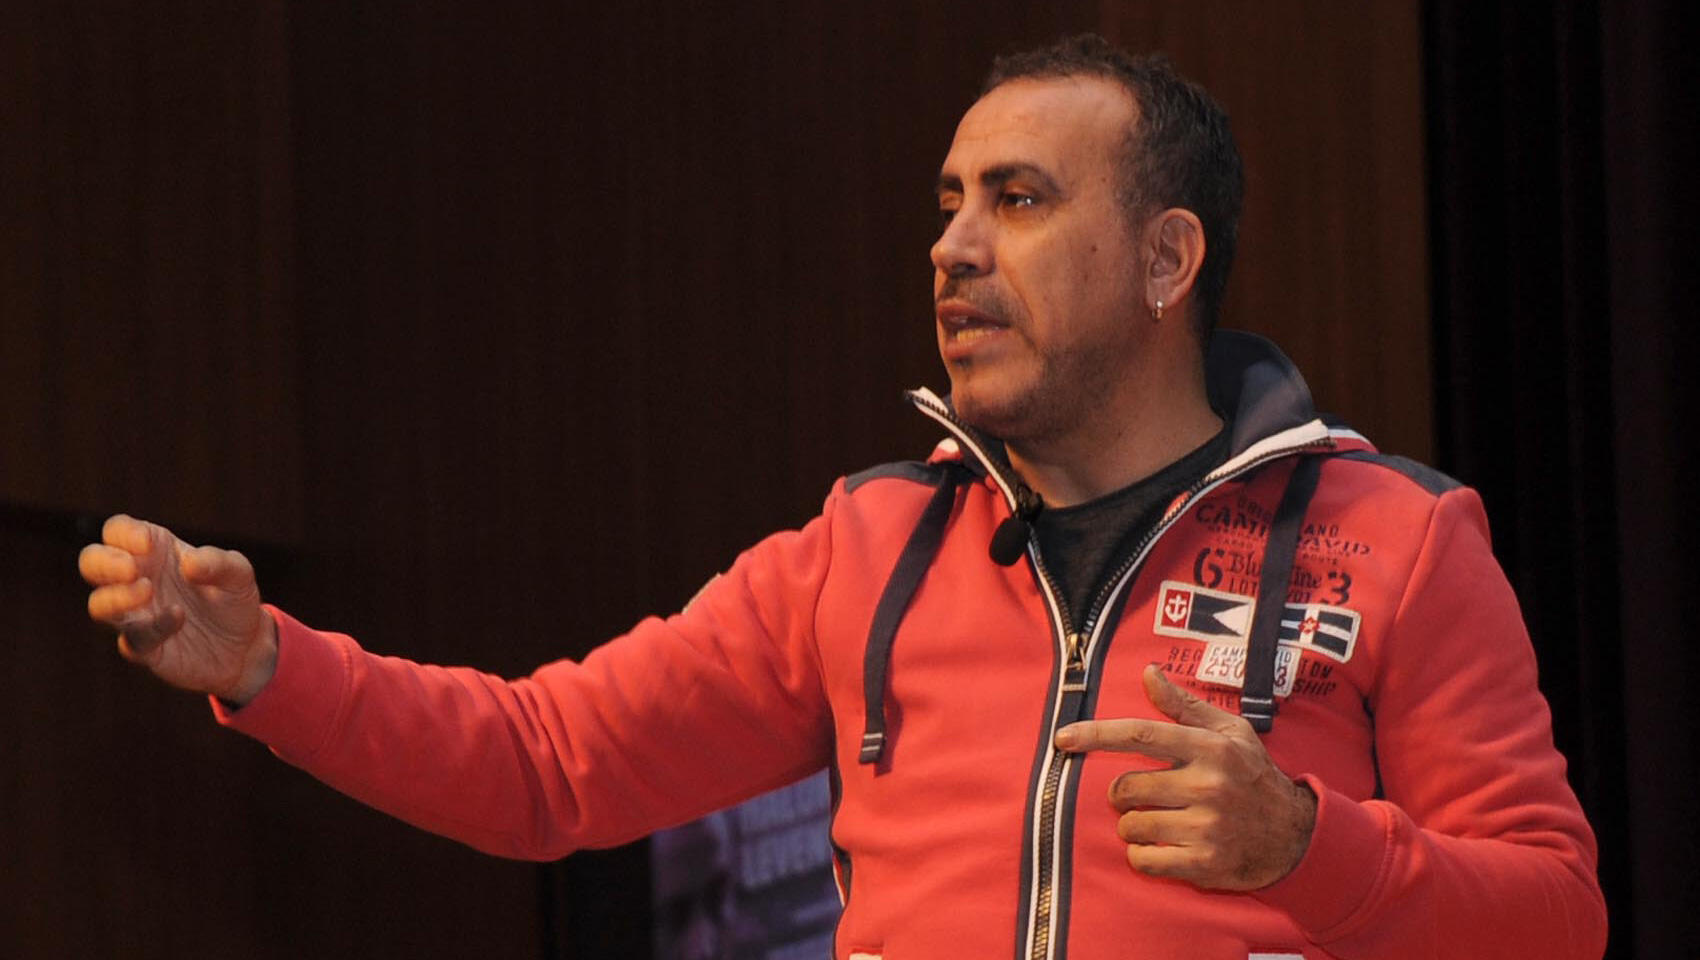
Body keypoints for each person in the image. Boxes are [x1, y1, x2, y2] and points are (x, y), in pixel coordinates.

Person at [79, 35, 1605, 960]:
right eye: (947, 204)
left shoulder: (1395, 539)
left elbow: (1555, 920)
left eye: (1018, 199)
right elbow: (547, 766)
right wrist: (268, 666)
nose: (952, 247)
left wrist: (1307, 848)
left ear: (1166, 260)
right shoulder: (866, 547)